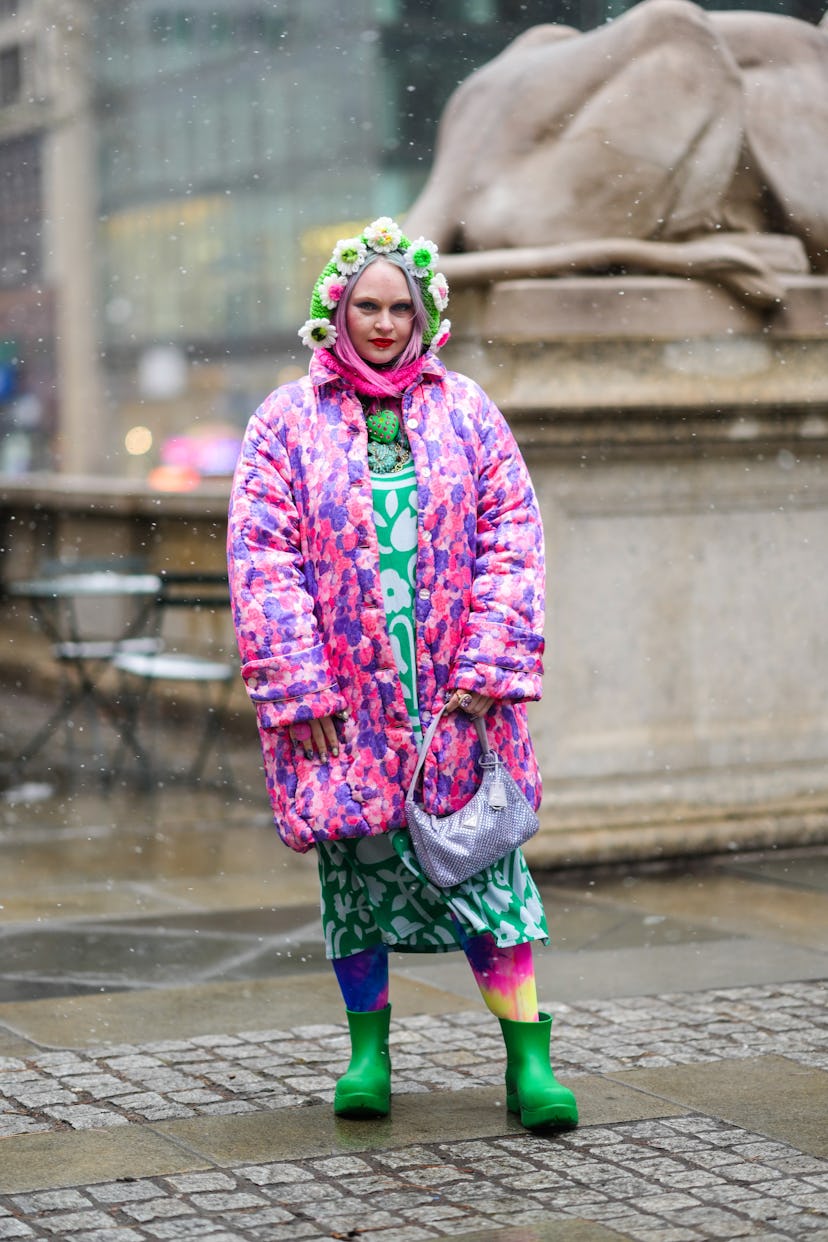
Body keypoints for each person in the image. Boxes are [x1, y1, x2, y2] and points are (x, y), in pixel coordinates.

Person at [227, 216, 577, 1130]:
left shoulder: (468, 412)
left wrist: (492, 665)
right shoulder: (285, 422)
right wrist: (297, 688)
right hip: (348, 709)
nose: (383, 323)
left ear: (425, 315)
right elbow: (263, 560)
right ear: (332, 313)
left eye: (398, 307)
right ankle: (368, 1056)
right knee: (356, 881)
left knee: (492, 880)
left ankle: (528, 1064)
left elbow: (514, 540)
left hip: (459, 705)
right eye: (364, 306)